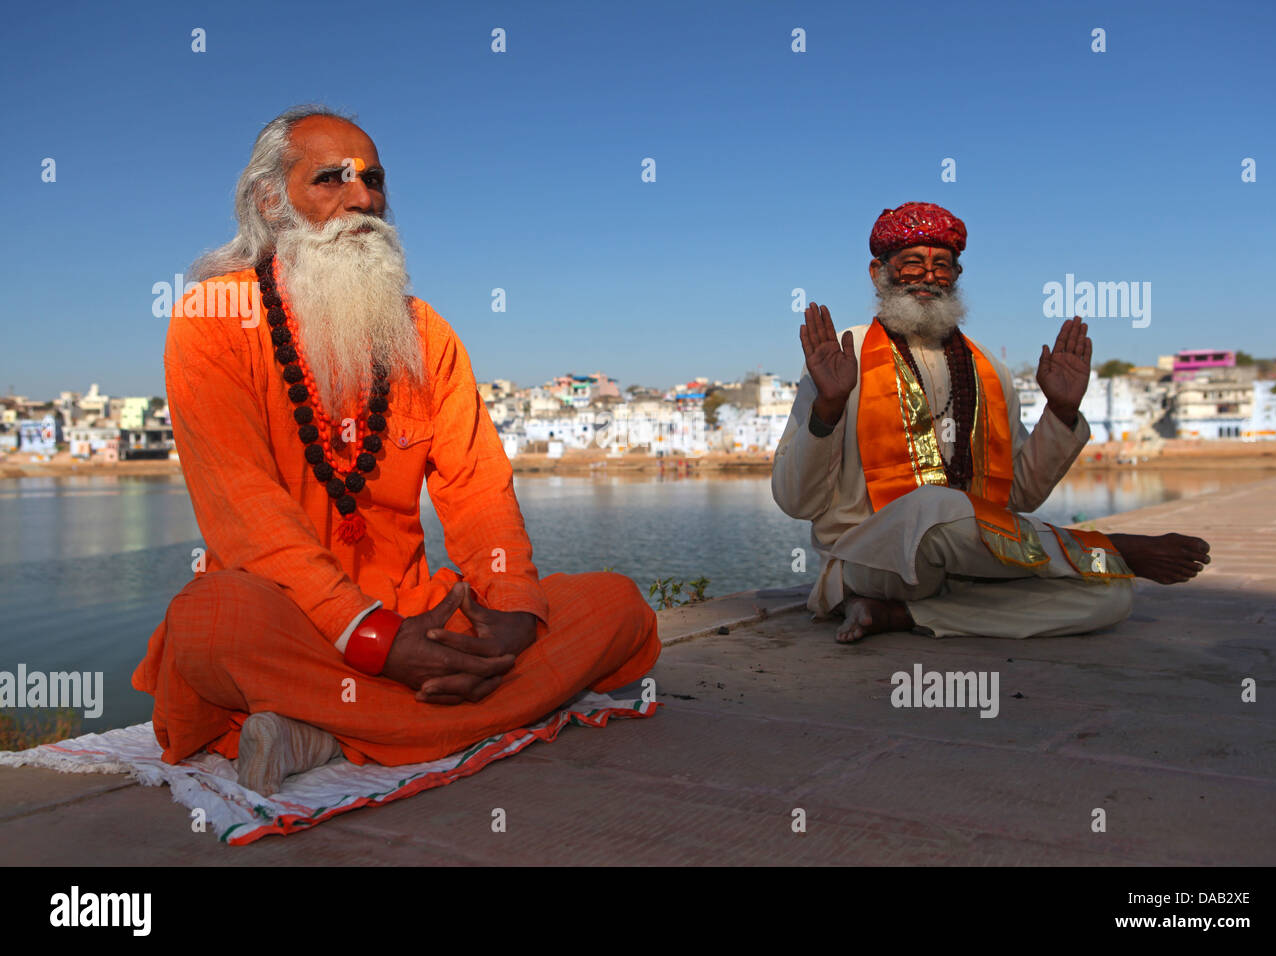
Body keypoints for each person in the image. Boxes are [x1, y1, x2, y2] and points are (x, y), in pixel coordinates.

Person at [133, 106, 660, 794]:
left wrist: (507, 618)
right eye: (333, 179)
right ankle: (456, 712)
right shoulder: (213, 321)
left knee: (618, 608)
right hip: (297, 619)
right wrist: (371, 638)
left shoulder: (423, 331)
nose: (364, 199)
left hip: (420, 617)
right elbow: (245, 511)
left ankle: (323, 730)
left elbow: (478, 490)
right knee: (213, 624)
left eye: (374, 180)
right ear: (270, 202)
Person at [772, 201, 1210, 642]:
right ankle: (1113, 548)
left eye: (943, 266)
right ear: (878, 272)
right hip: (871, 558)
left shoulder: (989, 371)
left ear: (957, 277)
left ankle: (900, 617)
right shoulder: (841, 357)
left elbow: (1019, 495)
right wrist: (828, 406)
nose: (929, 276)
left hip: (968, 561)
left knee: (1112, 598)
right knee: (932, 506)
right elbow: (797, 502)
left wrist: (1060, 413)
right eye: (913, 264)